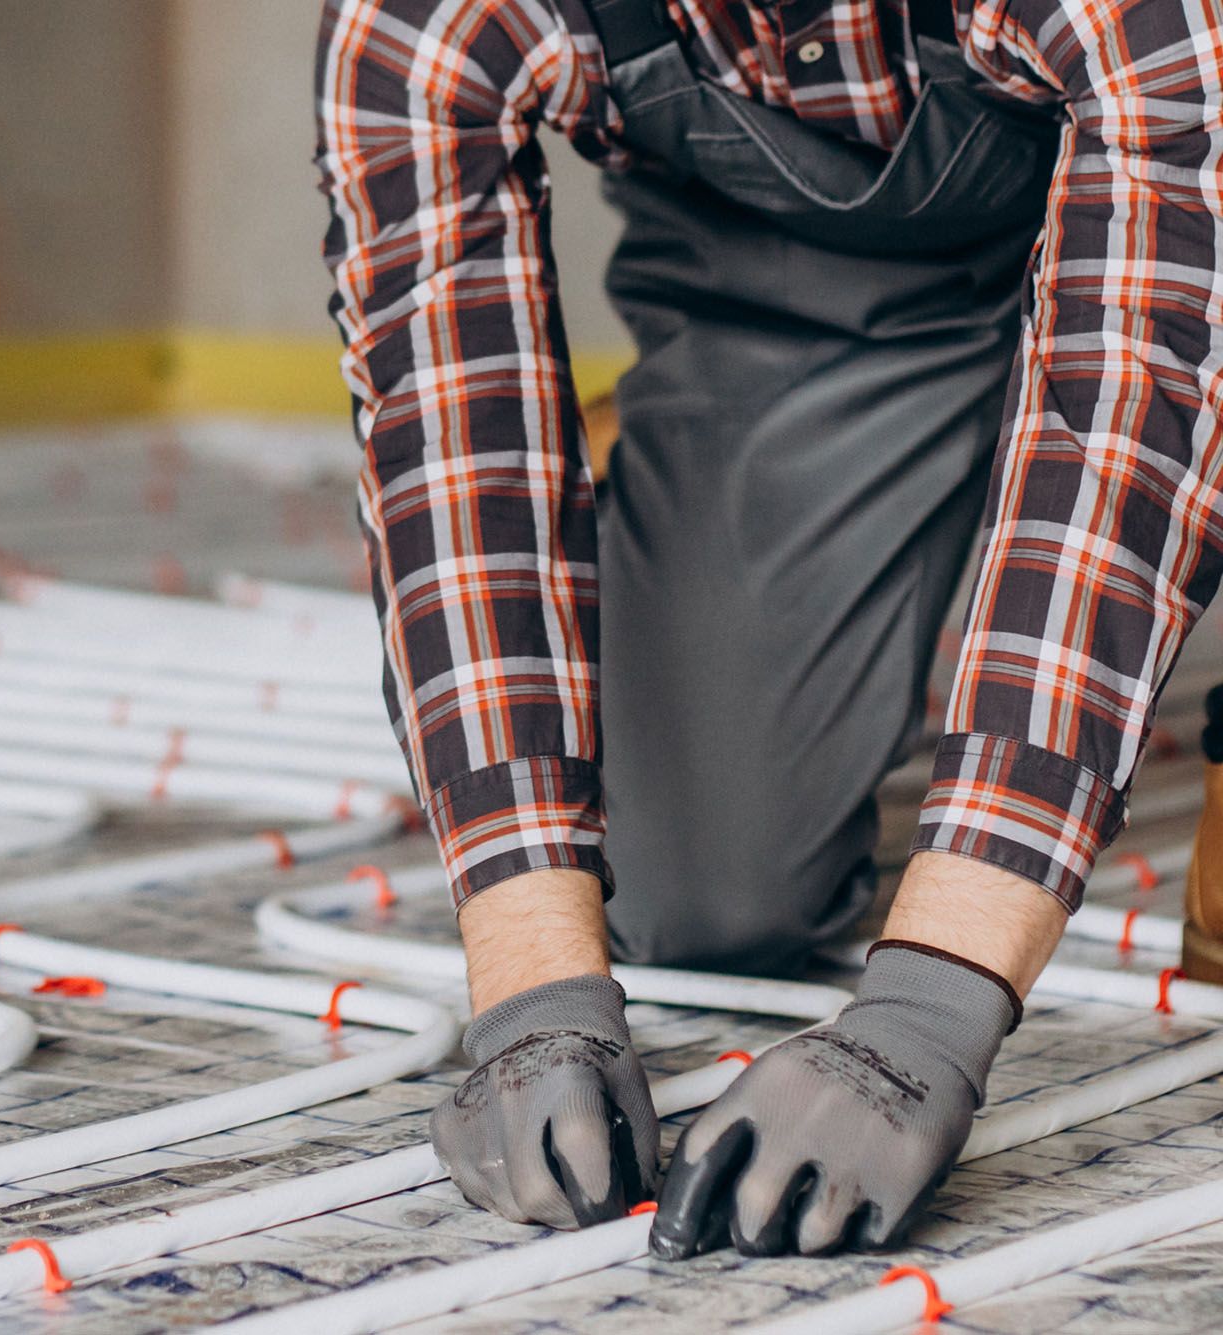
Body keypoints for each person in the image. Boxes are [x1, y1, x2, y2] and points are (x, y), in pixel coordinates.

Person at [314, 0, 1223, 1258]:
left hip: (1185, 207)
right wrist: (529, 989)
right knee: (704, 899)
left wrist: (929, 1009)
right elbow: (451, 453)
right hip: (825, 293)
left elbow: (1151, 390)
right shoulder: (417, 21)